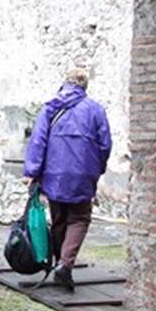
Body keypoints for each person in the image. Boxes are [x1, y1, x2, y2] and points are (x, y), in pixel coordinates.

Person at [23, 68, 112, 291]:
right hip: (83, 174)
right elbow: (105, 145)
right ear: (84, 87)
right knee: (79, 218)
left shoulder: (51, 108)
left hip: (53, 173)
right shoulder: (96, 110)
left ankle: (59, 263)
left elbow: (38, 141)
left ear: (65, 83)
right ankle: (65, 264)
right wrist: (97, 169)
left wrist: (32, 172)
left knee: (59, 218)